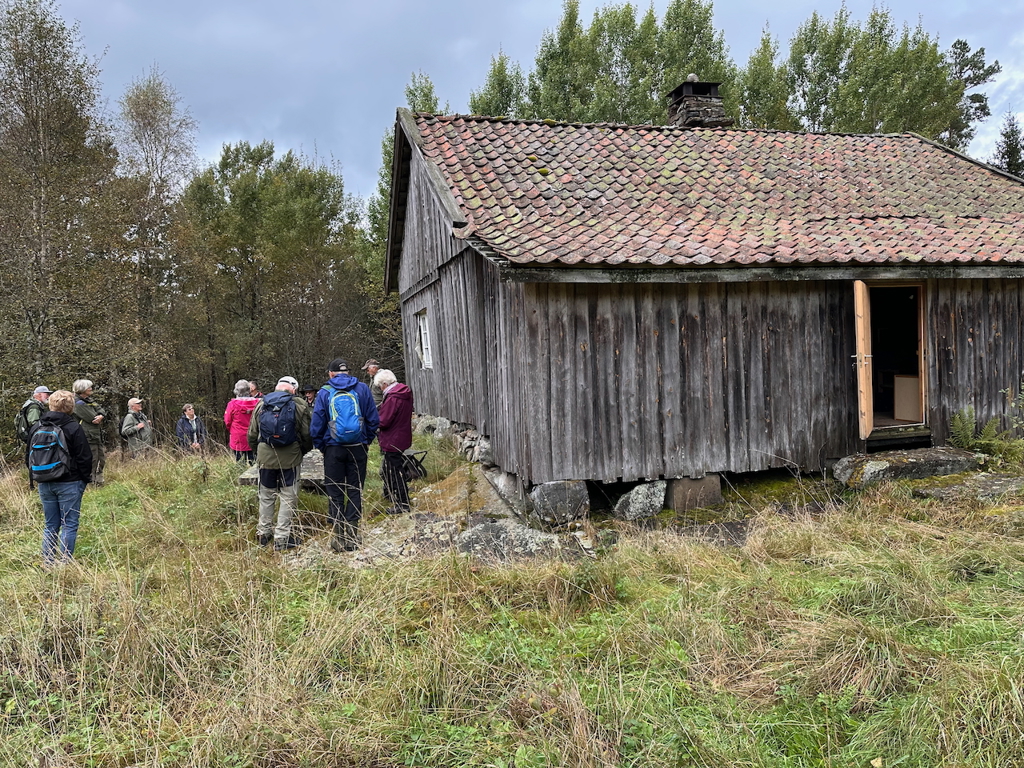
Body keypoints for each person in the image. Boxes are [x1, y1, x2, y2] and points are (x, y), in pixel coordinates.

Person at [311, 358, 379, 552]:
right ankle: (353, 535)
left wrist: (323, 447)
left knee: (335, 491)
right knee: (355, 489)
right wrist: (366, 441)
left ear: (331, 374)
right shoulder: (362, 389)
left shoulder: (325, 392)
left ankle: (339, 536)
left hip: (333, 448)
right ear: (348, 372)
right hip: (358, 447)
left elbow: (316, 426)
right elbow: (373, 419)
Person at [247, 376, 312, 551]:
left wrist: (259, 452)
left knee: (266, 495)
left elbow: (252, 434)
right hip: (290, 458)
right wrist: (301, 451)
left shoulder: (261, 404)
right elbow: (307, 434)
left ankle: (263, 533)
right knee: (288, 496)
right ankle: (282, 538)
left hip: (265, 457)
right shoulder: (299, 405)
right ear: (294, 390)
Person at [28, 390, 92, 565]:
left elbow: (29, 457)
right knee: (69, 524)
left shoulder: (37, 427)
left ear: (51, 404)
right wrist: (84, 479)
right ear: (70, 406)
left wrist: (38, 476)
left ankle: (48, 562)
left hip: (44, 482)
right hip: (70, 481)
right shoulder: (73, 427)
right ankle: (65, 564)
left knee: (51, 525)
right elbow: (85, 457)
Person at [374, 369, 414, 516]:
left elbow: (383, 421)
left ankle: (402, 503)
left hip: (392, 439)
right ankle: (391, 494)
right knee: (391, 469)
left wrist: (373, 419)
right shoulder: (404, 393)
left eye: (380, 386)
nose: (380, 389)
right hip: (402, 435)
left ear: (385, 384)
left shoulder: (393, 398)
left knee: (395, 471)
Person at [73, 379, 108, 486]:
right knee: (91, 459)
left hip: (95, 435)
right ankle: (90, 482)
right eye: (89, 387)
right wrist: (98, 415)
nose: (91, 389)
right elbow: (91, 417)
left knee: (101, 458)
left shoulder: (89, 400)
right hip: (87, 436)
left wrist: (101, 415)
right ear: (82, 389)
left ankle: (99, 481)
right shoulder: (78, 403)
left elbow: (101, 410)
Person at [224, 379, 260, 463]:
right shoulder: (258, 403)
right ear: (249, 390)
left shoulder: (232, 404)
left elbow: (227, 421)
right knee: (254, 463)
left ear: (236, 391)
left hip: (238, 438)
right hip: (254, 436)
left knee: (240, 464)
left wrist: (233, 431)